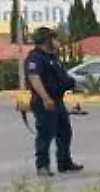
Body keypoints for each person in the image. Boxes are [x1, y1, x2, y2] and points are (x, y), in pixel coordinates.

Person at [23, 27, 82, 178]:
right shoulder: (35, 58)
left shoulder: (52, 57)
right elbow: (34, 79)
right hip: (45, 102)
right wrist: (45, 98)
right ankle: (42, 166)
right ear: (46, 41)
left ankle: (64, 163)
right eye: (54, 39)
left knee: (64, 133)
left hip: (57, 100)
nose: (57, 42)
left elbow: (60, 77)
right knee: (45, 135)